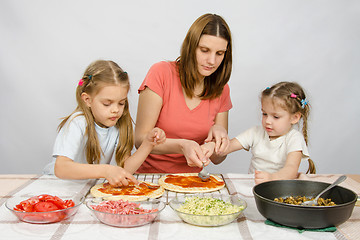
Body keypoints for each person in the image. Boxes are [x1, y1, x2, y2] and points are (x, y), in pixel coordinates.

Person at [134, 13, 233, 173]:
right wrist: (182, 145)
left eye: (219, 53)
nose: (212, 61)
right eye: (204, 50)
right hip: (150, 178)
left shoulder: (222, 89)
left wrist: (217, 143)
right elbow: (139, 140)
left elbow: (218, 159)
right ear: (190, 46)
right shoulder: (161, 73)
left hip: (192, 182)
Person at [43, 60, 166, 186]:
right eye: (107, 104)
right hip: (57, 186)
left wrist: (148, 144)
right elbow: (61, 168)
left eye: (121, 103)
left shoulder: (120, 124)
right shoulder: (77, 123)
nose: (116, 110)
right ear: (87, 100)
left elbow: (125, 170)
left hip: (86, 189)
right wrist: (105, 170)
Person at [205, 81, 313, 184]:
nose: (268, 121)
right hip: (254, 187)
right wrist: (211, 146)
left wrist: (272, 178)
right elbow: (228, 147)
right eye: (264, 114)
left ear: (295, 117)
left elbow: (291, 169)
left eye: (276, 117)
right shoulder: (256, 132)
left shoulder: (294, 138)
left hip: (280, 189)